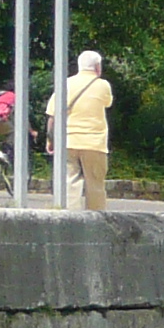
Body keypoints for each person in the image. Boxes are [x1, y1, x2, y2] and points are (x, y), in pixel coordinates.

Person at [49, 50, 114, 212]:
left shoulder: (65, 84)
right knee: (95, 184)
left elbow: (52, 114)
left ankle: (71, 220)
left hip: (68, 140)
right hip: (94, 143)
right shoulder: (103, 85)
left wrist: (50, 139)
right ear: (97, 67)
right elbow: (107, 103)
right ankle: (96, 220)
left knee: (70, 183)